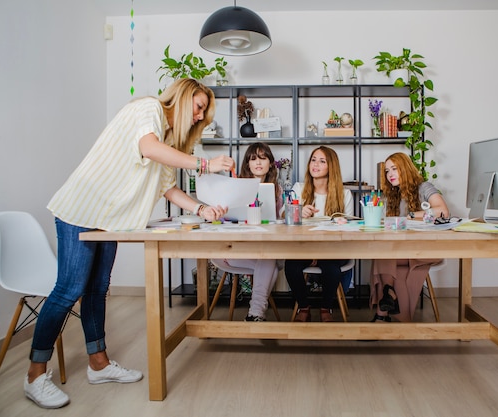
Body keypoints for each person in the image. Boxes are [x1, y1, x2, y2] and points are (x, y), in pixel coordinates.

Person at [24, 78, 235, 409]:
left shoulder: (167, 140)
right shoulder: (147, 109)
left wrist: (202, 208)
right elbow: (147, 148)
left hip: (109, 220)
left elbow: (168, 188)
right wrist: (205, 163)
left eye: (203, 112)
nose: (199, 116)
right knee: (68, 290)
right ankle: (35, 374)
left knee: (97, 290)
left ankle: (99, 364)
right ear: (181, 99)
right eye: (198, 107)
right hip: (80, 210)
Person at [370, 152, 449, 323]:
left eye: (394, 169)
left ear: (405, 169)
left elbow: (443, 211)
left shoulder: (424, 187)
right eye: (387, 171)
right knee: (384, 253)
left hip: (426, 248)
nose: (390, 174)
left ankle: (382, 314)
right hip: (404, 250)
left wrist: (411, 216)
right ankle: (389, 296)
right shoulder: (394, 195)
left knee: (383, 255)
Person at [284, 146, 354, 322]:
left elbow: (348, 229)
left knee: (331, 268)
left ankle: (326, 307)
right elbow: (285, 220)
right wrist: (297, 212)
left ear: (332, 166)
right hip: (303, 248)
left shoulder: (345, 194)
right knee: (291, 266)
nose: (315, 164)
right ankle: (304, 306)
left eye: (322, 161)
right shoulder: (299, 188)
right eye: (313, 159)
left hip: (332, 250)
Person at [219, 142, 283, 321]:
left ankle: (255, 313)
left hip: (262, 249)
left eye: (263, 158)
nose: (258, 163)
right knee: (270, 265)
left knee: (268, 259)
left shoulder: (276, 190)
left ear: (271, 163)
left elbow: (276, 223)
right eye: (253, 159)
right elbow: (224, 219)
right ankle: (256, 312)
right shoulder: (235, 185)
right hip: (233, 250)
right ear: (247, 164)